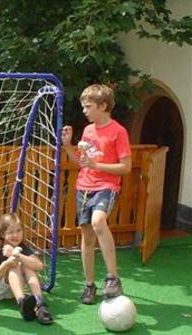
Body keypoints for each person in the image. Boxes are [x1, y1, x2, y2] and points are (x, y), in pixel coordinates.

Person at [61, 84, 132, 304]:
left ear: (103, 106)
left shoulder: (118, 131)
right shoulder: (88, 131)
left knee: (99, 221)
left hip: (106, 186)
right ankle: (89, 285)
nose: (84, 110)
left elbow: (126, 168)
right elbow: (83, 164)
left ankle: (112, 278)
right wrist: (67, 146)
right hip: (84, 186)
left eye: (88, 106)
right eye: (83, 106)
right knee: (87, 236)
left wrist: (97, 164)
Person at [0, 213, 53, 325]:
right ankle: (22, 303)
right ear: (2, 234)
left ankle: (39, 303)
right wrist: (7, 263)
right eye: (11, 232)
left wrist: (17, 255)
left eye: (18, 231)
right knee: (14, 265)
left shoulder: (22, 247)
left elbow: (39, 265)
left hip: (10, 291)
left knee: (27, 265)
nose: (15, 235)